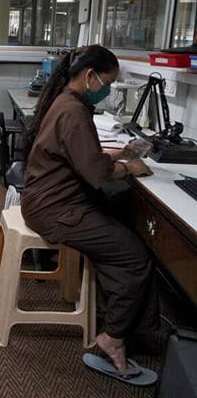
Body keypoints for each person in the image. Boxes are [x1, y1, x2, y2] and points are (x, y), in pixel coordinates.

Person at [20, 45, 160, 375]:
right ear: (90, 76)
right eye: (108, 83)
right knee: (135, 257)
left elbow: (81, 157)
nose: (109, 90)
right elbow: (96, 174)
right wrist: (130, 168)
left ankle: (126, 323)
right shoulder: (73, 112)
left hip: (50, 198)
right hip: (54, 208)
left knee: (121, 222)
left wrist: (118, 154)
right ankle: (114, 336)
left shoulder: (67, 102)